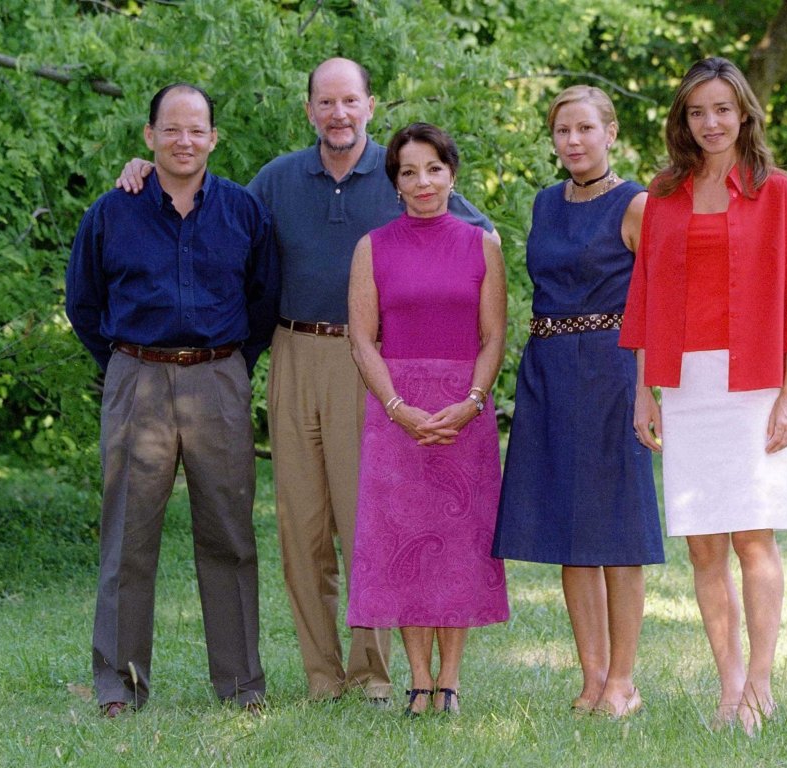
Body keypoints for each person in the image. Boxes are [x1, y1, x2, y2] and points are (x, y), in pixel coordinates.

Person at [115, 58, 492, 702]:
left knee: (363, 517)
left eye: (350, 101)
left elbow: (469, 231)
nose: (338, 114)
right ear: (310, 109)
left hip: (369, 362)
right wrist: (148, 173)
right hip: (293, 351)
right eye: (326, 102)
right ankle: (323, 673)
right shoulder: (278, 179)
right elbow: (210, 207)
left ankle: (371, 672)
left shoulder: (400, 171)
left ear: (371, 104)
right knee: (301, 524)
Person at [620, 57, 787, 735]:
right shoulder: (665, 192)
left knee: (753, 536)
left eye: (722, 110)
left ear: (744, 113)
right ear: (684, 119)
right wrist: (646, 391)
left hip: (753, 382)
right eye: (697, 111)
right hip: (684, 383)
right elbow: (646, 292)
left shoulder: (778, 190)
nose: (710, 123)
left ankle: (761, 684)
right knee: (704, 547)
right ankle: (728, 683)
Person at [66, 83, 279, 716]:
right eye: (171, 129)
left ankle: (241, 685)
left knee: (231, 537)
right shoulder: (113, 210)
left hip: (219, 379)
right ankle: (119, 689)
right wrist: (128, 366)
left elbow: (264, 300)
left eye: (197, 130)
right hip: (138, 379)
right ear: (150, 136)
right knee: (128, 538)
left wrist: (232, 367)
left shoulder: (243, 211)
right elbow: (84, 302)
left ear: (214, 137)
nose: (184, 141)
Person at [492, 86, 665, 718]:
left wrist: (649, 388)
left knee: (615, 527)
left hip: (612, 370)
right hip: (547, 370)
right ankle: (591, 678)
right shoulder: (544, 202)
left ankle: (623, 680)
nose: (573, 140)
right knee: (570, 529)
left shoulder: (637, 203)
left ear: (611, 132)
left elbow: (655, 306)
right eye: (562, 130)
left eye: (585, 129)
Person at [346, 122, 509, 716]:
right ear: (395, 182)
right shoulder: (373, 247)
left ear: (452, 175)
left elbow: (494, 336)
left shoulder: (481, 244)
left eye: (434, 169)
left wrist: (471, 401)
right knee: (403, 544)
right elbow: (362, 340)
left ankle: (452, 681)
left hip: (463, 409)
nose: (423, 182)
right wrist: (397, 407)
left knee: (459, 547)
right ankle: (418, 681)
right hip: (396, 411)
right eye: (409, 171)